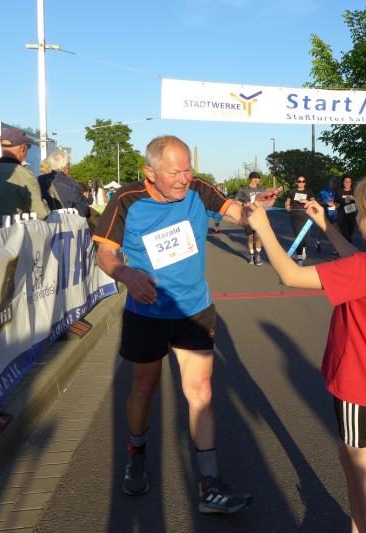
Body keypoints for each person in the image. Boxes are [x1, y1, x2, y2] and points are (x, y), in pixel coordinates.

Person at [92, 135, 281, 514]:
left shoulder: (198, 189)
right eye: (174, 172)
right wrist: (127, 274)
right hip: (147, 311)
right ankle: (136, 454)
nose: (183, 179)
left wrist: (255, 209)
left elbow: (237, 214)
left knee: (202, 391)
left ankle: (210, 485)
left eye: (187, 170)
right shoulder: (126, 199)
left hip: (195, 309)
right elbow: (105, 253)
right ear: (149, 172)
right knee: (144, 388)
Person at [244, 169, 366, 533]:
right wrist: (326, 227)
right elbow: (355, 259)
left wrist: (263, 228)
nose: (355, 217)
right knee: (354, 460)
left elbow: (290, 276)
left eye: (358, 210)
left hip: (357, 384)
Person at [0, 127, 49, 220]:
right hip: (16, 228)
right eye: (28, 147)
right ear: (23, 148)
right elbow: (41, 213)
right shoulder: (26, 175)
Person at [38, 148, 90, 218]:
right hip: (63, 221)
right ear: (65, 166)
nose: (70, 167)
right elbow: (84, 212)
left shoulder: (38, 180)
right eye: (69, 164)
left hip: (42, 221)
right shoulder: (71, 183)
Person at [234, 171, 266, 265]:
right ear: (252, 179)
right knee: (250, 237)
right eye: (257, 178)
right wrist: (244, 204)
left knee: (259, 236)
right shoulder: (244, 190)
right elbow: (235, 200)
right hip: (248, 217)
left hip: (259, 216)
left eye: (259, 178)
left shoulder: (262, 189)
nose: (258, 180)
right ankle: (252, 255)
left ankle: (258, 255)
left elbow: (266, 199)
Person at [284, 175, 315, 265]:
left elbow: (314, 202)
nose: (301, 183)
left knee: (306, 237)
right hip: (295, 217)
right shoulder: (292, 191)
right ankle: (299, 258)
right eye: (299, 181)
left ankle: (303, 248)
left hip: (307, 217)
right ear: (297, 182)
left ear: (305, 183)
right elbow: (287, 201)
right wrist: (287, 206)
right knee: (299, 237)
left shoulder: (308, 191)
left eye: (303, 181)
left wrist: (306, 201)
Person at [314, 176, 339, 254]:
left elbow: (340, 202)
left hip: (334, 213)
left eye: (335, 183)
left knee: (335, 230)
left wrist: (336, 204)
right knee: (322, 228)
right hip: (325, 212)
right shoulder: (323, 191)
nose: (333, 184)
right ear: (329, 183)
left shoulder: (338, 192)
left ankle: (336, 247)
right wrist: (326, 203)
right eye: (332, 182)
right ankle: (318, 242)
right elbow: (318, 201)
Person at [336, 174, 358, 243]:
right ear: (343, 182)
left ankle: (347, 246)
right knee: (345, 234)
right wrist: (336, 204)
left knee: (349, 234)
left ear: (351, 183)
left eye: (349, 182)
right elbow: (335, 202)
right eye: (346, 181)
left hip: (351, 215)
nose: (347, 183)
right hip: (341, 215)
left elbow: (360, 202)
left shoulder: (354, 191)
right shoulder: (339, 191)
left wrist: (354, 199)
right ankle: (348, 247)